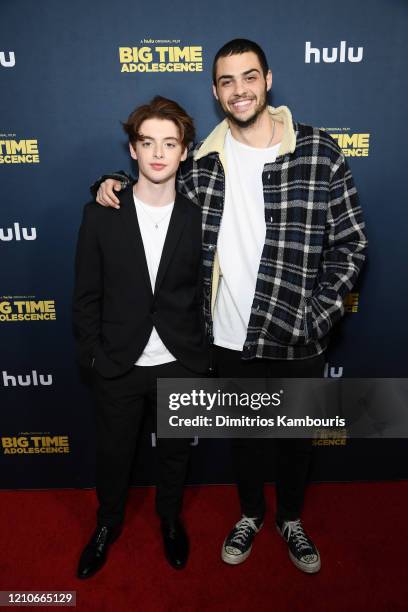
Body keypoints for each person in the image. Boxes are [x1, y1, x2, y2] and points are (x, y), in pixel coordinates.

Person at [93, 39, 367, 574]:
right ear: (217, 93)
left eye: (248, 77)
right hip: (225, 335)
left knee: (296, 441)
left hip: (297, 334)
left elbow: (351, 242)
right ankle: (249, 514)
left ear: (267, 79)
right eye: (226, 82)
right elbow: (155, 181)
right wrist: (110, 184)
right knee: (245, 437)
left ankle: (290, 517)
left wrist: (316, 314)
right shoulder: (202, 161)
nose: (239, 90)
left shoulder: (319, 150)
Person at [73, 96, 209, 578]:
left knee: (174, 453)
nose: (158, 153)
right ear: (131, 150)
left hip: (180, 360)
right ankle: (107, 524)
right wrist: (93, 355)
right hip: (117, 362)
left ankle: (170, 521)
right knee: (113, 455)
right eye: (147, 142)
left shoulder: (199, 218)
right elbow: (86, 294)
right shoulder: (101, 213)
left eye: (169, 143)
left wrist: (200, 355)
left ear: (185, 152)